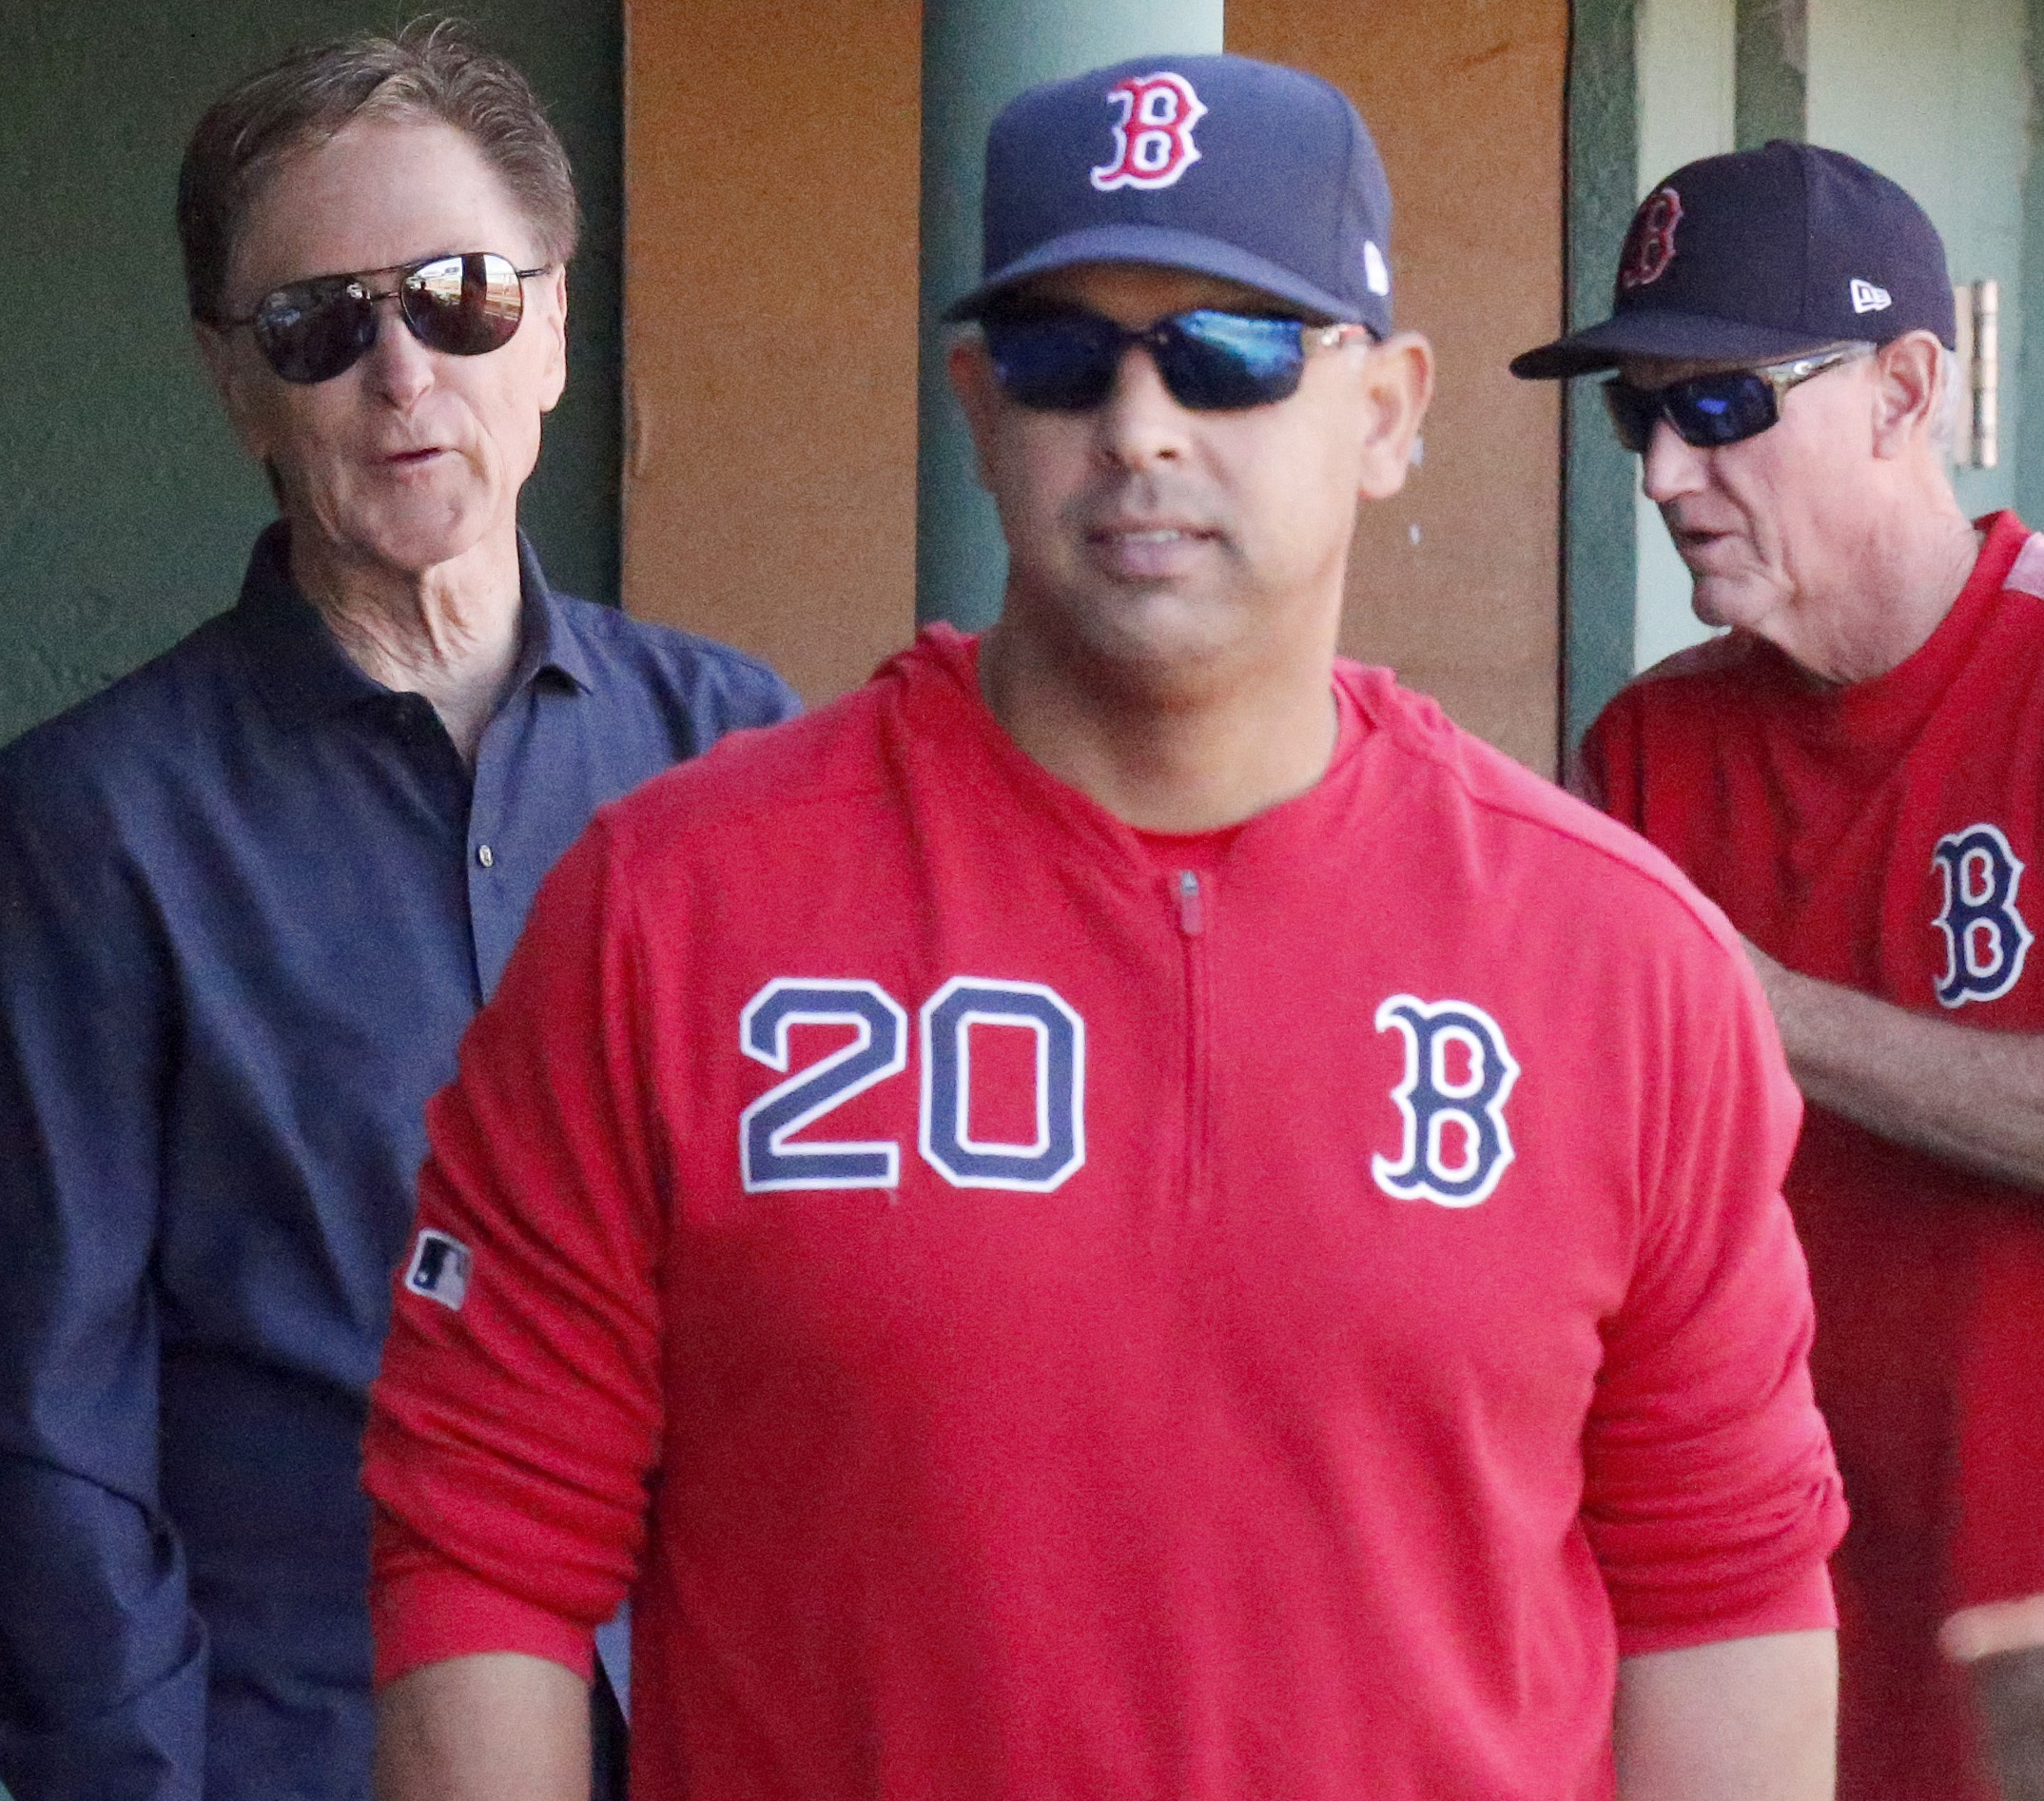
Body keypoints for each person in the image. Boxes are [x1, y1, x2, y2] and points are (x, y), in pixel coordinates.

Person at [363, 56, 1846, 1801]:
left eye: (1234, 351)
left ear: (1386, 411)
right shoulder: (674, 911)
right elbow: (486, 1546)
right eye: (1066, 355)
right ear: (980, 408)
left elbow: (1723, 1588)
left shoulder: (1621, 963)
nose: (1140, 427)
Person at [0, 23, 797, 1801]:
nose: (402, 371)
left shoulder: (738, 747)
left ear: (557, 328)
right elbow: (51, 1422)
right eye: (318, 324)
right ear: (236, 382)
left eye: (461, 298)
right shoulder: (89, 828)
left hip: (714, 1722)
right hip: (311, 1742)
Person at [1512, 140, 2044, 1801]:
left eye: (1724, 405)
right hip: (1743, 1653)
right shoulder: (1645, 746)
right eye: (1640, 418)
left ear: (1906, 390)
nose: (1668, 471)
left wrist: (1751, 1004)